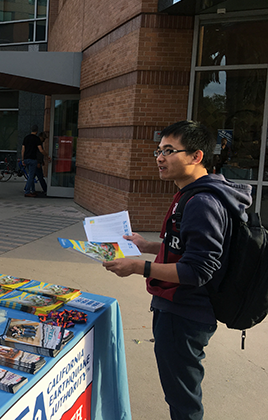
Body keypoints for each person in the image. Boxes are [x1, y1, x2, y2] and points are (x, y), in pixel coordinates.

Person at [102, 120, 252, 420]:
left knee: (183, 399)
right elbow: (183, 248)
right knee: (180, 391)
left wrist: (137, 267)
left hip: (184, 312)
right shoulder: (192, 194)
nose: (160, 157)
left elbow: (197, 269)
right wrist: (146, 246)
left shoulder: (202, 201)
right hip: (180, 309)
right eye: (158, 150)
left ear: (196, 156)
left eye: (169, 150)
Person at [21, 124, 46, 197]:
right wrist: (47, 155)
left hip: (26, 159)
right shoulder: (36, 139)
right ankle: (27, 191)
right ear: (37, 131)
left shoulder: (26, 138)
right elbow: (40, 150)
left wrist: (23, 160)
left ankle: (32, 190)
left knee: (30, 175)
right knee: (31, 176)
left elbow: (23, 150)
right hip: (33, 159)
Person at [35, 131, 50, 195]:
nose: (44, 140)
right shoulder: (38, 143)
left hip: (37, 161)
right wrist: (39, 162)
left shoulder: (39, 142)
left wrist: (42, 161)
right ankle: (45, 189)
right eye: (43, 138)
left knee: (32, 176)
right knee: (40, 176)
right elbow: (39, 153)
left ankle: (27, 188)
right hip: (36, 162)